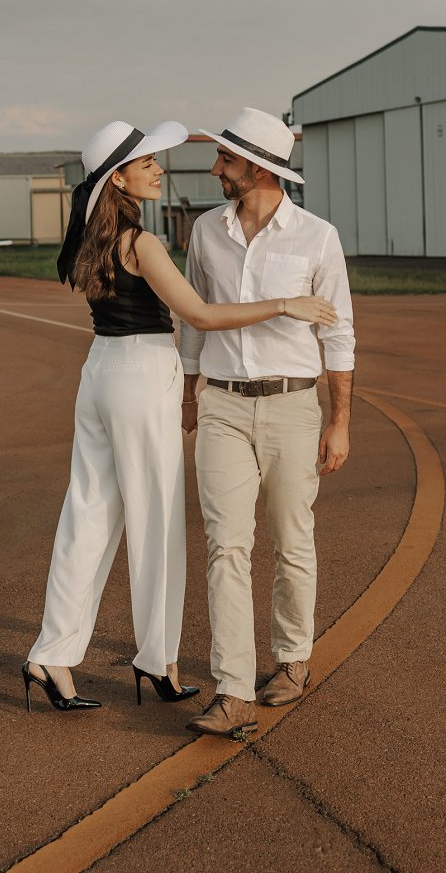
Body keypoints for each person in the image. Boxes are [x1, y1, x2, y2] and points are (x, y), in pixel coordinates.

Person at [23, 119, 338, 714]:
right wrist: (285, 303)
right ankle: (158, 660)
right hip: (143, 377)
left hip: (99, 373)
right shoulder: (140, 241)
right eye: (146, 163)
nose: (158, 169)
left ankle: (52, 655)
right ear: (119, 179)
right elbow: (201, 315)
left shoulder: (92, 235)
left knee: (87, 514)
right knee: (156, 520)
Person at [179, 107, 355, 739]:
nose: (215, 169)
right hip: (222, 407)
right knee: (225, 546)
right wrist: (190, 397)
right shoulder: (205, 231)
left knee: (291, 540)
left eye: (225, 159)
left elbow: (339, 336)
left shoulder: (317, 238)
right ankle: (232, 690)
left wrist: (339, 421)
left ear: (257, 167)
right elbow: (193, 319)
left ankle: (291, 658)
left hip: (293, 408)